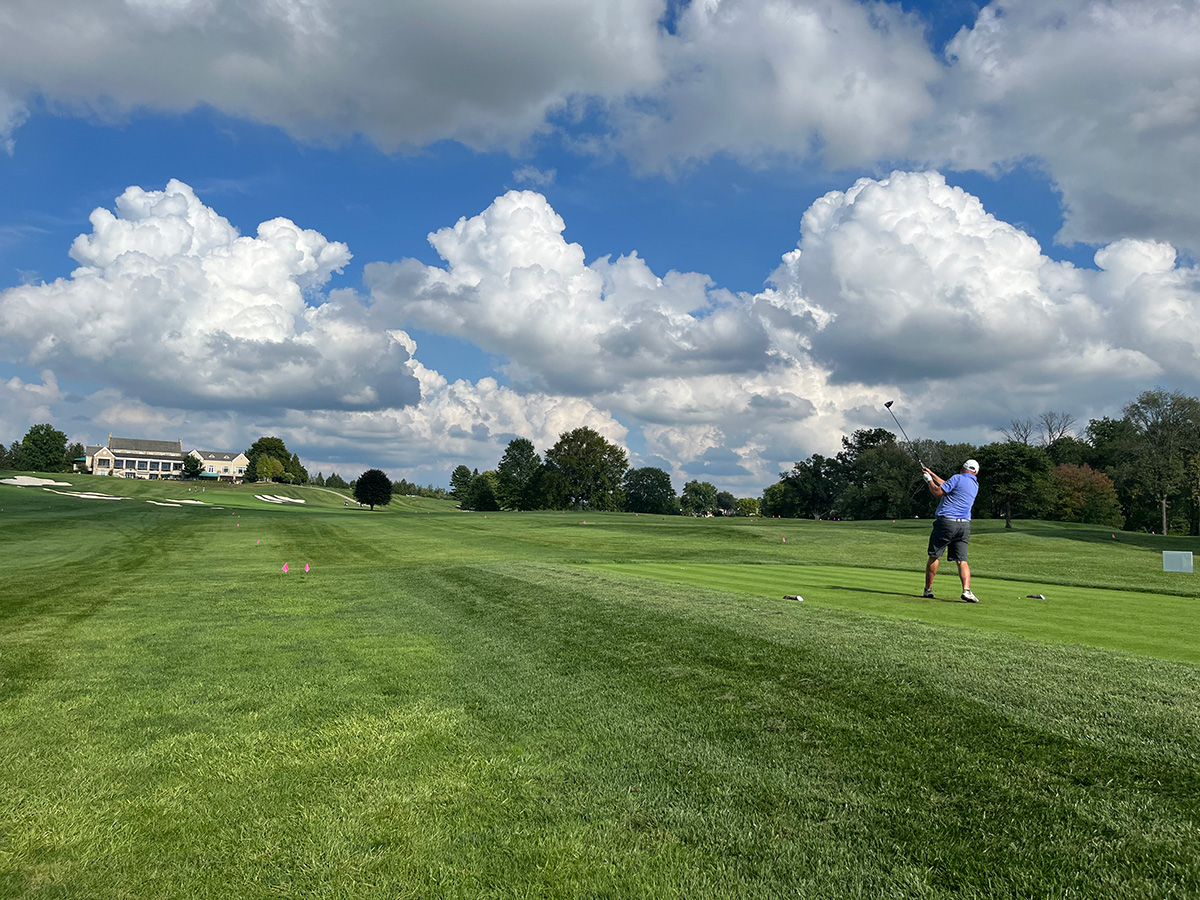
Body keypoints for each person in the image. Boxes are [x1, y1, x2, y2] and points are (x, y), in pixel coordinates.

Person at [921, 459, 981, 602]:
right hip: (964, 526)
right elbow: (947, 485)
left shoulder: (957, 478)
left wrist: (929, 480)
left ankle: (928, 590)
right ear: (976, 472)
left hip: (946, 523)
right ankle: (966, 590)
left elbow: (937, 492)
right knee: (962, 560)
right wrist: (932, 473)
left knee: (935, 556)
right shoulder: (974, 484)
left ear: (962, 468)